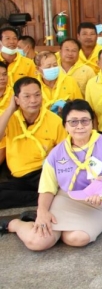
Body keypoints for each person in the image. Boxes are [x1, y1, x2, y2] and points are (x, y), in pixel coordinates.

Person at [0, 100, 102, 249]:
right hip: (66, 198)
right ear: (65, 125)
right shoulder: (56, 153)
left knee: (77, 238)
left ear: (92, 122)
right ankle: (15, 224)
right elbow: (47, 188)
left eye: (84, 121)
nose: (79, 126)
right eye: (73, 122)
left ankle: (60, 232)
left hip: (98, 202)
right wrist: (42, 211)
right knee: (38, 242)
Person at [0, 77, 67, 209]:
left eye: (37, 95)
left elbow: (65, 151)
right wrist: (9, 109)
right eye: (27, 96)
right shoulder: (8, 117)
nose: (33, 100)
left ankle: (47, 195)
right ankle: (43, 197)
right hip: (18, 176)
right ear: (16, 99)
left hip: (43, 172)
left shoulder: (54, 120)